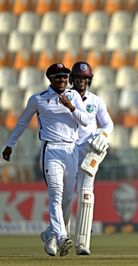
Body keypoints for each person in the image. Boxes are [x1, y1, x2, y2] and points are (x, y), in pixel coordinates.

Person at [2, 63, 90, 257]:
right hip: (51, 149)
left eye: (65, 77)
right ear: (50, 78)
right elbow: (23, 121)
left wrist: (71, 107)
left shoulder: (74, 96)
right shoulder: (38, 99)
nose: (63, 80)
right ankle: (61, 237)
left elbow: (86, 120)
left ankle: (50, 233)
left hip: (71, 149)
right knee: (56, 195)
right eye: (58, 77)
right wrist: (10, 144)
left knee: (68, 198)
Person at [69, 61, 114, 255]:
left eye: (85, 79)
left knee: (86, 194)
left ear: (89, 80)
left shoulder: (96, 101)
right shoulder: (64, 97)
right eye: (79, 78)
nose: (82, 82)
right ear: (73, 79)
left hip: (88, 151)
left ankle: (82, 243)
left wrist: (102, 136)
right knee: (63, 195)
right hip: (67, 150)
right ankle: (58, 237)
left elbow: (108, 125)